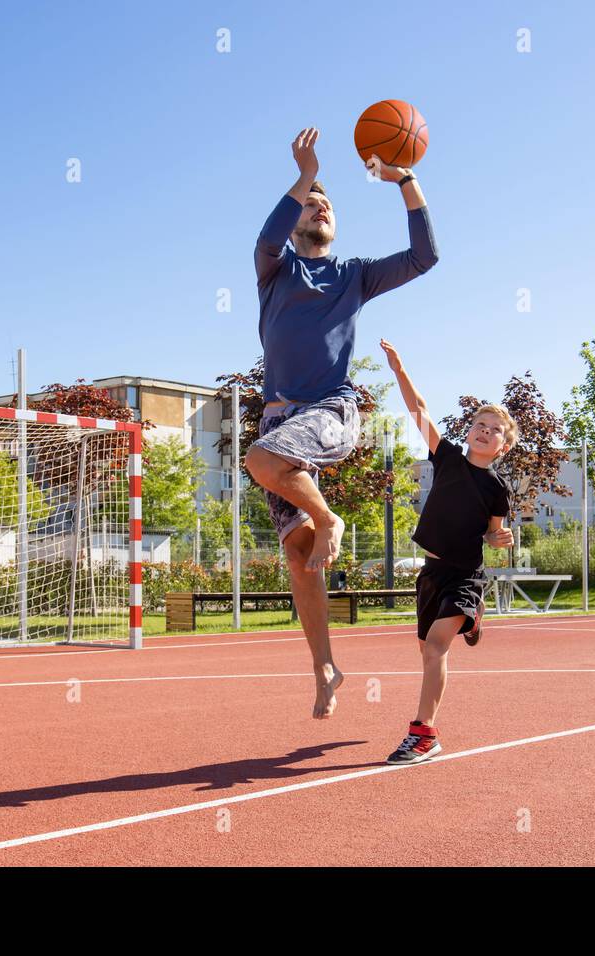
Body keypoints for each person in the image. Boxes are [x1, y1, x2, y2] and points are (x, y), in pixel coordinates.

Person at [245, 128, 439, 719]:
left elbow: (423, 257)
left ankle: (331, 517)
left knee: (261, 461)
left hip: (331, 412)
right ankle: (325, 667)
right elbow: (265, 236)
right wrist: (304, 175)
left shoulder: (353, 275)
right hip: (282, 419)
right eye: (311, 202)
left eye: (327, 202)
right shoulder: (273, 271)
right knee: (300, 555)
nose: (320, 206)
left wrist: (404, 180)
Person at [378, 339, 516, 764]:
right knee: (426, 652)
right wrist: (399, 369)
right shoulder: (448, 458)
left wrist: (500, 540)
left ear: (503, 447)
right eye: (481, 423)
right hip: (430, 574)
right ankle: (471, 622)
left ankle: (423, 734)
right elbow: (418, 409)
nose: (486, 430)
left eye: (495, 430)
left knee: (437, 647)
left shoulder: (497, 489)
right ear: (470, 431)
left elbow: (494, 536)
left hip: (466, 575)